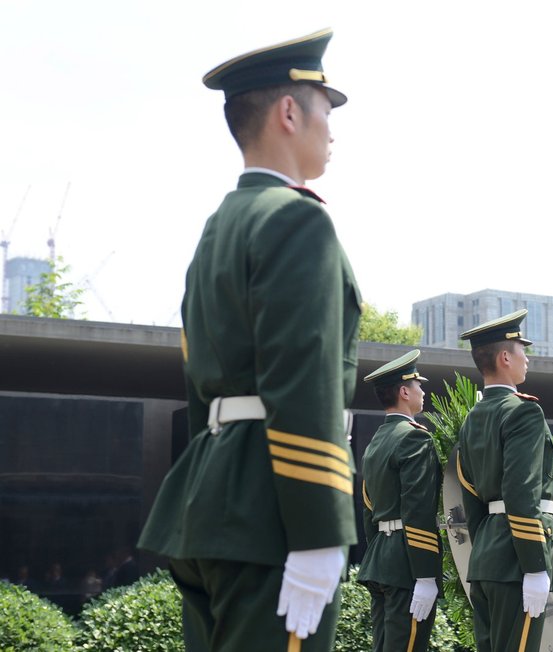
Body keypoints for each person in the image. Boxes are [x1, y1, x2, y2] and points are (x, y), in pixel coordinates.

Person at [138, 27, 361, 652]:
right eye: (325, 108)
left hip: (210, 505)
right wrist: (318, 531)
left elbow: (197, 382)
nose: (333, 129)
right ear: (290, 111)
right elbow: (305, 377)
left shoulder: (217, 229)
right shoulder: (297, 218)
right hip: (275, 514)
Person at [456, 309, 553, 652]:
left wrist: (485, 547)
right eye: (521, 351)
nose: (527, 359)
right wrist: (534, 566)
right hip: (517, 560)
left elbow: (470, 494)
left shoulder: (472, 418)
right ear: (504, 357)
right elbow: (520, 491)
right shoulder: (523, 410)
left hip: (486, 558)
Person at [358, 349, 443, 652]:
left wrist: (379, 553)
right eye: (419, 385)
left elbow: (369, 508)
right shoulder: (414, 437)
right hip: (407, 564)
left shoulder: (377, 441)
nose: (423, 390)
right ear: (405, 391)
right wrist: (424, 574)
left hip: (381, 560)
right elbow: (417, 509)